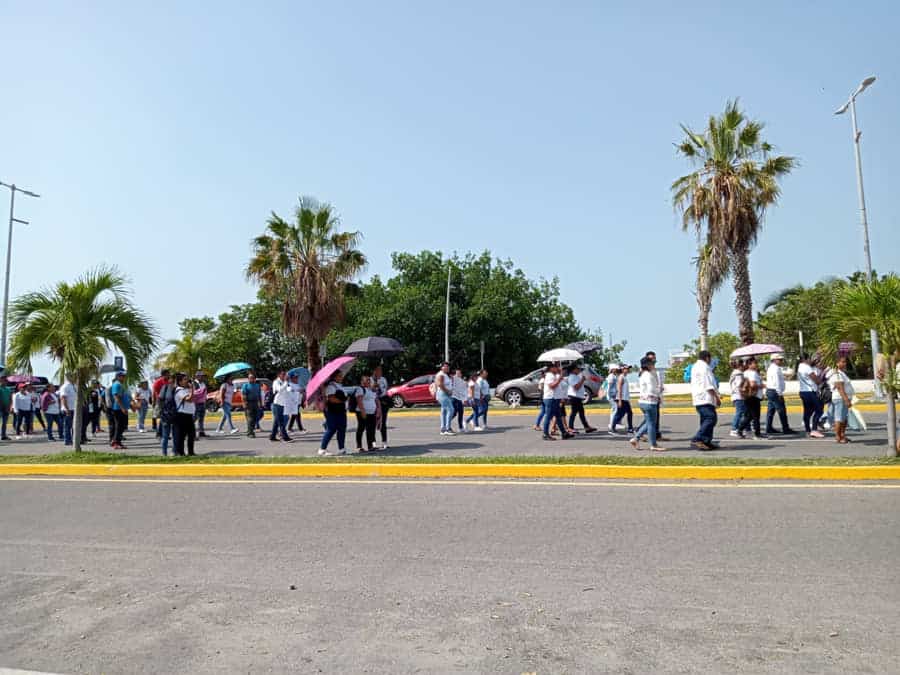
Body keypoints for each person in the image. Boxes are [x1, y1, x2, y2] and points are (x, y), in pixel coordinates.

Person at [630, 356, 664, 451]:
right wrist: (659, 391)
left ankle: (636, 438)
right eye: (652, 363)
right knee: (652, 424)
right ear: (648, 365)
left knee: (649, 422)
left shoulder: (642, 374)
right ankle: (653, 444)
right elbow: (651, 389)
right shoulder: (649, 375)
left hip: (642, 401)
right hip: (650, 401)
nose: (654, 365)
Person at [690, 350, 721, 451]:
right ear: (707, 358)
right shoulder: (704, 367)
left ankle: (706, 441)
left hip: (699, 397)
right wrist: (717, 397)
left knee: (705, 419)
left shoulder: (696, 366)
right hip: (705, 397)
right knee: (711, 418)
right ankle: (698, 438)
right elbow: (708, 384)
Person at [319, 371, 348, 456]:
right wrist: (343, 400)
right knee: (331, 429)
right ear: (334, 377)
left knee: (342, 429)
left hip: (341, 411)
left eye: (341, 376)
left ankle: (342, 449)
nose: (341, 377)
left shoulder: (339, 385)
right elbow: (331, 399)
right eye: (339, 376)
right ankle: (322, 449)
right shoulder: (331, 386)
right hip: (333, 411)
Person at [542, 364, 573, 441]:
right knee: (548, 416)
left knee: (558, 417)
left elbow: (559, 386)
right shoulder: (549, 375)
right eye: (556, 367)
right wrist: (559, 379)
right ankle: (545, 434)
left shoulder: (554, 375)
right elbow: (552, 386)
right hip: (551, 399)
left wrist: (560, 376)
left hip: (555, 399)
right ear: (552, 368)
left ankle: (564, 433)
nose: (558, 368)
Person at [797, 354, 825, 438]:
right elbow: (815, 379)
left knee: (808, 411)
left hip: (803, 391)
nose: (810, 360)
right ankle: (814, 430)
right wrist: (822, 383)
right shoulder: (806, 367)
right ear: (805, 359)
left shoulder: (800, 366)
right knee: (819, 409)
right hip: (810, 392)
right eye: (809, 358)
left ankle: (808, 430)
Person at [765, 354, 794, 435]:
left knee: (771, 411)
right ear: (774, 360)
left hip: (771, 391)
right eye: (780, 359)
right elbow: (776, 382)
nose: (781, 361)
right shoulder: (775, 369)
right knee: (782, 410)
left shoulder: (773, 368)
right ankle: (785, 428)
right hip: (775, 391)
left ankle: (769, 428)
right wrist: (780, 393)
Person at [829, 357, 854, 444]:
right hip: (840, 399)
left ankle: (842, 435)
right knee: (839, 418)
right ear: (836, 363)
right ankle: (838, 436)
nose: (845, 364)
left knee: (844, 418)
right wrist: (846, 399)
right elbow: (840, 388)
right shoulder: (837, 374)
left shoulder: (841, 373)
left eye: (845, 362)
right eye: (842, 362)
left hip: (843, 398)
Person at [567, 364, 596, 433]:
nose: (579, 370)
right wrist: (582, 380)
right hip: (574, 397)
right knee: (574, 412)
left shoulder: (575, 376)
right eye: (577, 368)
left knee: (581, 412)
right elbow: (576, 387)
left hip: (578, 397)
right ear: (573, 370)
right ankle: (570, 427)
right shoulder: (571, 377)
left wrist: (582, 378)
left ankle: (586, 427)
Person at [172, 373, 196, 456]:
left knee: (191, 434)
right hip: (181, 416)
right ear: (180, 381)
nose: (187, 381)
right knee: (181, 436)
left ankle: (191, 452)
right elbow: (189, 399)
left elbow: (193, 398)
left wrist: (191, 389)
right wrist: (192, 389)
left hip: (189, 415)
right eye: (185, 379)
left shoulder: (186, 389)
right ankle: (180, 452)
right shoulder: (179, 390)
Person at [353, 375, 379, 452]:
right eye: (366, 380)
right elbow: (359, 401)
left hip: (372, 413)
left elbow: (375, 400)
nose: (368, 381)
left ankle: (370, 446)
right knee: (361, 428)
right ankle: (359, 446)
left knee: (371, 429)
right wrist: (363, 411)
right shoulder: (360, 389)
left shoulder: (371, 390)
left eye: (369, 380)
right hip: (362, 412)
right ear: (362, 381)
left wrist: (377, 410)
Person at [741, 357, 764, 439]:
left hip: (748, 396)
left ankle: (740, 430)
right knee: (755, 416)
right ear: (749, 364)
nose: (756, 364)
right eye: (754, 363)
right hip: (753, 396)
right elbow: (752, 384)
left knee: (749, 416)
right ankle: (757, 433)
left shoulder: (745, 373)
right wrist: (761, 385)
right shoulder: (753, 373)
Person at [109, 371, 131, 450]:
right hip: (118, 409)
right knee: (119, 426)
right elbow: (116, 397)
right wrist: (122, 408)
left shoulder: (121, 385)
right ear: (118, 377)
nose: (124, 378)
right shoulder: (117, 385)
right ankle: (115, 442)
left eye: (124, 376)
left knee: (123, 426)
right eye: (122, 376)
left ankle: (117, 441)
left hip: (123, 408)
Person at [269, 370, 293, 443]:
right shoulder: (276, 382)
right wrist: (286, 382)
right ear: (279, 375)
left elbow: (288, 390)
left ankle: (272, 436)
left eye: (284, 374)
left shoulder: (285, 382)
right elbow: (279, 389)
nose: (284, 375)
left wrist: (289, 384)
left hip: (283, 404)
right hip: (277, 404)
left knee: (277, 422)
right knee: (281, 422)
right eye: (282, 374)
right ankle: (285, 437)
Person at [157, 372, 176, 456]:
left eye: (174, 379)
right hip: (166, 415)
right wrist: (161, 412)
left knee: (175, 435)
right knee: (165, 436)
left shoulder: (177, 389)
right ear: (168, 380)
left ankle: (174, 451)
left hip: (176, 415)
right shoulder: (164, 388)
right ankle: (164, 453)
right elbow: (160, 400)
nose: (172, 381)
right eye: (170, 379)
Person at [728, 360, 747, 439]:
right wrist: (743, 394)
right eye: (743, 365)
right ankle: (734, 429)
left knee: (742, 413)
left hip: (735, 395)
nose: (744, 367)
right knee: (739, 413)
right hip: (739, 396)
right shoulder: (738, 374)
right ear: (740, 365)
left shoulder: (734, 373)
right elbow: (739, 386)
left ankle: (741, 428)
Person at [612, 365, 634, 434]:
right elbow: (619, 389)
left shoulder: (624, 377)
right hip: (621, 399)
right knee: (619, 414)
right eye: (627, 369)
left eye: (628, 369)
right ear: (622, 369)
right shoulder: (621, 377)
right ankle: (612, 427)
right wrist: (620, 401)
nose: (628, 370)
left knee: (629, 413)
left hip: (625, 399)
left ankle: (630, 428)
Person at [434, 362, 455, 436]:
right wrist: (448, 391)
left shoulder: (444, 374)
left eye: (448, 367)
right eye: (445, 366)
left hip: (444, 394)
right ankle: (447, 428)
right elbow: (440, 384)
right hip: (443, 394)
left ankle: (443, 429)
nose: (447, 368)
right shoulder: (441, 374)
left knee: (444, 412)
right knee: (451, 410)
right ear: (441, 367)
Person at [372, 366, 390, 448]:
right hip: (373, 402)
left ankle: (384, 441)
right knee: (373, 422)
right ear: (374, 371)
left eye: (381, 370)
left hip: (383, 402)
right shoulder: (370, 380)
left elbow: (386, 389)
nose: (380, 372)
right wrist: (374, 386)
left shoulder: (383, 379)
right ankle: (373, 441)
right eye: (378, 370)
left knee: (383, 422)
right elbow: (369, 391)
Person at [241, 372, 262, 438]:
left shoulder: (257, 385)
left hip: (255, 403)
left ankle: (249, 430)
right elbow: (244, 395)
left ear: (255, 379)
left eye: (252, 378)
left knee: (255, 418)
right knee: (250, 418)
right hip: (248, 403)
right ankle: (251, 433)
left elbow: (259, 395)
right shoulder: (245, 385)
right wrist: (244, 403)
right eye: (250, 378)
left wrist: (260, 403)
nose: (251, 379)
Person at [151, 369, 170, 437]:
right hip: (161, 401)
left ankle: (162, 433)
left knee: (165, 418)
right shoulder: (158, 382)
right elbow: (155, 392)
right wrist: (154, 401)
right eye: (168, 374)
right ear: (164, 374)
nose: (169, 375)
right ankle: (160, 433)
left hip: (167, 401)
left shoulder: (168, 381)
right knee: (163, 417)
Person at [59, 376, 77, 446]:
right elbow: (63, 398)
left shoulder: (74, 385)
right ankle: (67, 440)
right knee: (67, 426)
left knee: (73, 426)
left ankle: (73, 439)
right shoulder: (65, 386)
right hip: (68, 409)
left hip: (74, 409)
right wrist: (67, 409)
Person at [451, 368, 468, 432]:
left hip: (460, 399)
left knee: (461, 412)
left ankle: (460, 427)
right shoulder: (454, 378)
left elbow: (465, 391)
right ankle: (447, 424)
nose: (458, 374)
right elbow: (450, 377)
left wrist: (465, 399)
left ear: (461, 374)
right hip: (453, 397)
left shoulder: (463, 382)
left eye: (459, 373)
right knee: (454, 413)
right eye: (456, 373)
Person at [192, 372, 208, 438]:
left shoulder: (203, 383)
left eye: (203, 376)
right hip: (196, 403)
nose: (203, 377)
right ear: (197, 376)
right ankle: (189, 431)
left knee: (201, 418)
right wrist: (201, 391)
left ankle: (201, 432)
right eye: (201, 376)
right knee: (194, 418)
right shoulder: (194, 383)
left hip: (202, 402)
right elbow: (194, 393)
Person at [605, 364, 619, 434]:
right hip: (611, 396)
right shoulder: (611, 376)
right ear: (612, 369)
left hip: (613, 395)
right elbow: (609, 387)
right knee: (615, 410)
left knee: (613, 410)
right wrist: (609, 396)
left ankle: (612, 426)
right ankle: (611, 427)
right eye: (615, 369)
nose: (616, 369)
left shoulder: (613, 376)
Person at [0, 375, 12, 441]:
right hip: (0, 407)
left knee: (4, 423)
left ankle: (3, 435)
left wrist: (9, 407)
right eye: (3, 380)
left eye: (5, 380)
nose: (5, 381)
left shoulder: (8, 389)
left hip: (6, 408)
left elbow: (10, 398)